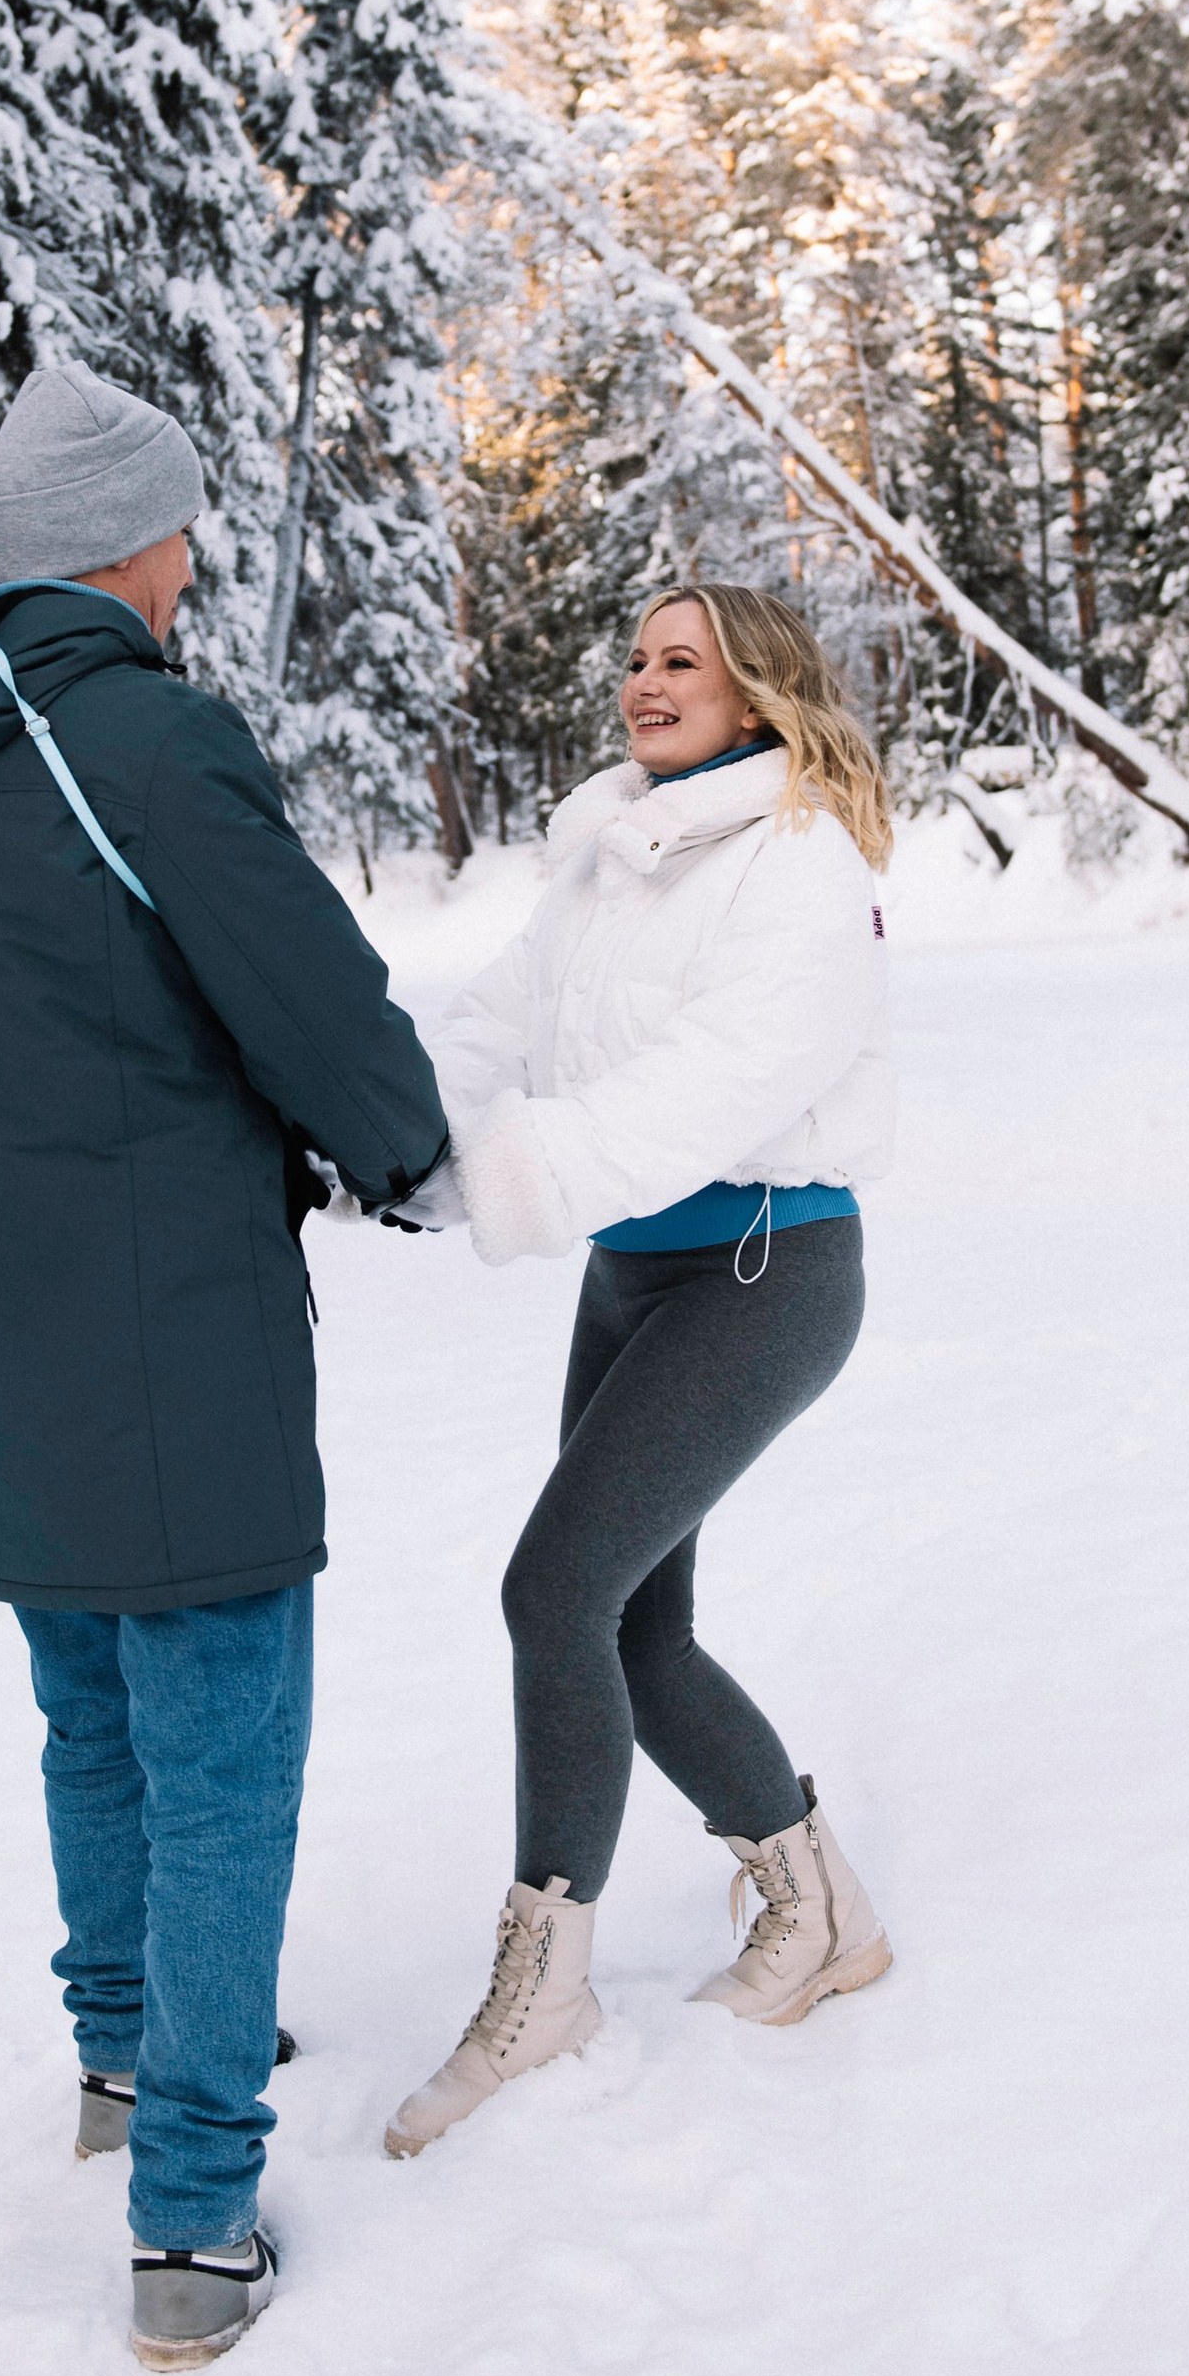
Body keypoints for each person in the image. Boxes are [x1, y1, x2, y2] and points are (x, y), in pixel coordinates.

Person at [0, 360, 450, 2366]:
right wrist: (402, 1149)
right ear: (134, 540)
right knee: (218, 1748)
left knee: (92, 1717)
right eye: (180, 529)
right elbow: (304, 991)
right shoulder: (148, 742)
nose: (190, 564)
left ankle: (119, 2055)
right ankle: (191, 2209)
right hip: (166, 1333)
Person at [387, 582, 897, 2158]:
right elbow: (497, 1022)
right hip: (636, 1270)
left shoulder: (802, 859)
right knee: (631, 1617)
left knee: (557, 1593)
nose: (643, 682)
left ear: (757, 692)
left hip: (764, 1270)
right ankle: (821, 1911)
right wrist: (404, 1136)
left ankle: (548, 1982)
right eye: (633, 659)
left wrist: (512, 1174)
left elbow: (719, 1081)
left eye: (683, 661)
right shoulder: (611, 858)